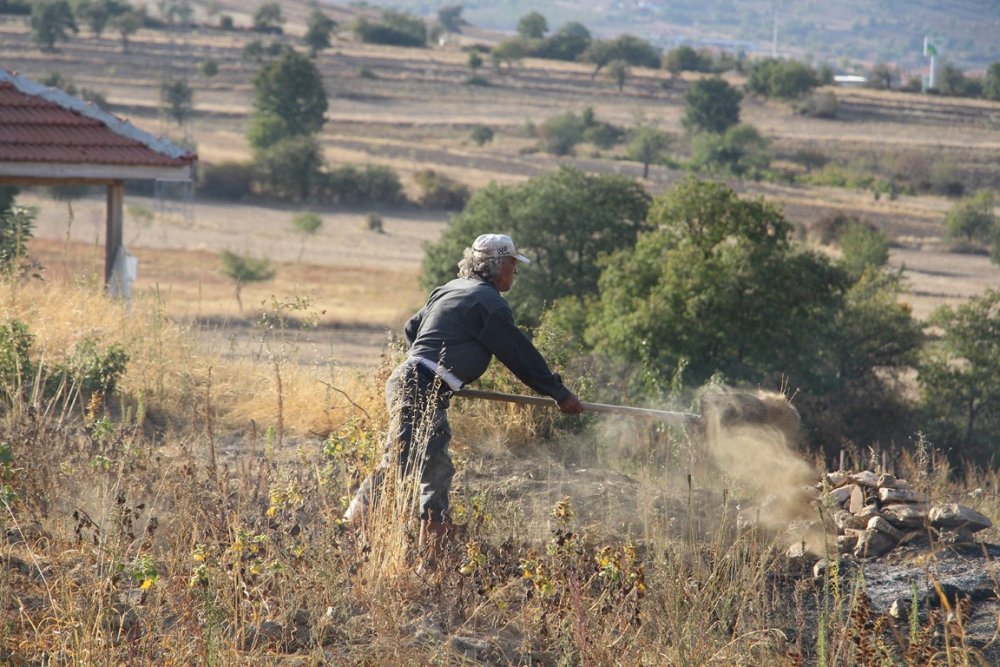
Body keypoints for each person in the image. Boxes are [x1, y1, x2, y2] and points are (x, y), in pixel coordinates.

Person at [343, 233, 582, 549]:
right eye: (512, 264)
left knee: (437, 469)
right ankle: (346, 532)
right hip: (420, 386)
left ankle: (434, 551)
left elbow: (412, 329)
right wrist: (559, 393)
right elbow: (519, 354)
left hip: (418, 383)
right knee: (399, 463)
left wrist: (436, 367)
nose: (516, 272)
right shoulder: (488, 303)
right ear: (496, 266)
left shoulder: (449, 290)